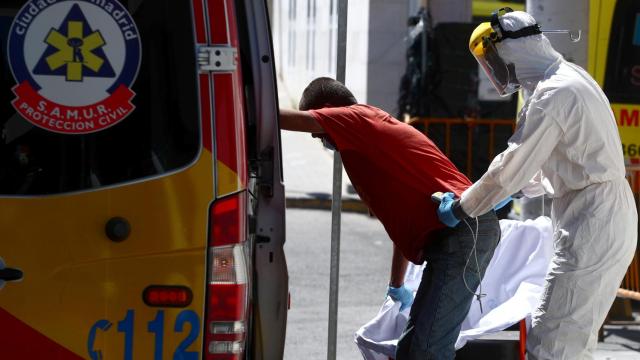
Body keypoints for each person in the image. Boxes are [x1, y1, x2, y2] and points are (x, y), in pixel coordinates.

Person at [436, 9, 638, 360]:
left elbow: (511, 166)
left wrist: (464, 205)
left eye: (492, 57)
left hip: (592, 221)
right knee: (574, 341)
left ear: (511, 50)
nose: (493, 68)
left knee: (552, 342)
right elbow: (555, 161)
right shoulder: (571, 77)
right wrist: (509, 189)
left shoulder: (552, 93)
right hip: (602, 214)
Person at [279, 77, 501, 359]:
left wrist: (240, 105)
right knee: (410, 349)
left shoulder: (357, 118)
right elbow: (404, 225)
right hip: (453, 234)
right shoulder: (366, 145)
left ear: (328, 110)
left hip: (463, 230)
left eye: (320, 134)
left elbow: (285, 119)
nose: (322, 140)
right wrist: (396, 285)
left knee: (428, 349)